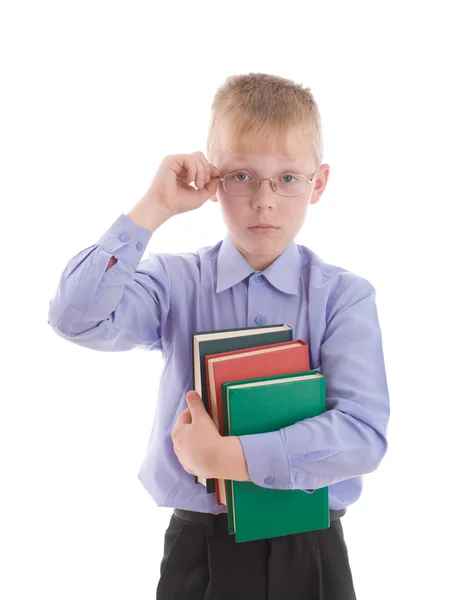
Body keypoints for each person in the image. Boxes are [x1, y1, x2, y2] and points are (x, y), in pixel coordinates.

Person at [48, 72, 390, 599]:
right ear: (212, 181)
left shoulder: (343, 296)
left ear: (318, 184)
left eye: (288, 179)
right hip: (200, 549)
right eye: (241, 176)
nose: (264, 200)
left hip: (311, 549)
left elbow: (362, 435)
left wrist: (224, 459)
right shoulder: (174, 283)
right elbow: (75, 317)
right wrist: (153, 207)